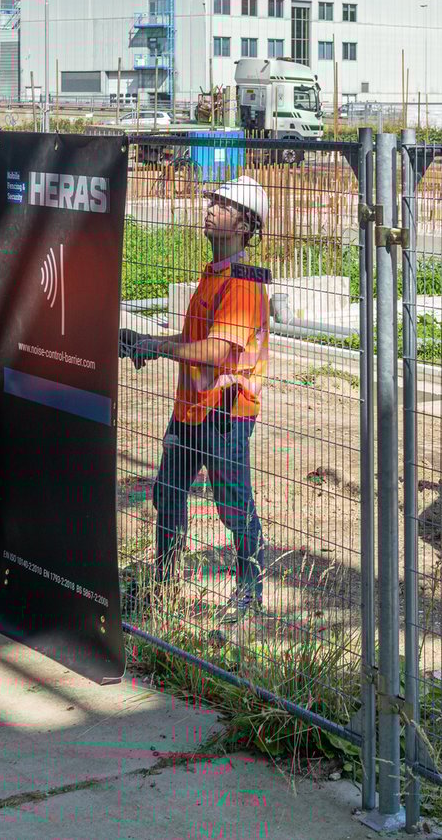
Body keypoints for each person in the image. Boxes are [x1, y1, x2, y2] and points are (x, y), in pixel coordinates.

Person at [122, 176, 271, 623]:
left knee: (233, 506)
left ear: (245, 224)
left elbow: (215, 351)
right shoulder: (214, 276)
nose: (210, 208)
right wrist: (148, 340)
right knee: (167, 493)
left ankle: (250, 593)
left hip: (225, 413)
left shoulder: (242, 285)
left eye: (223, 204)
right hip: (191, 410)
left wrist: (159, 348)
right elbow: (194, 340)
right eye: (212, 200)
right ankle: (163, 583)